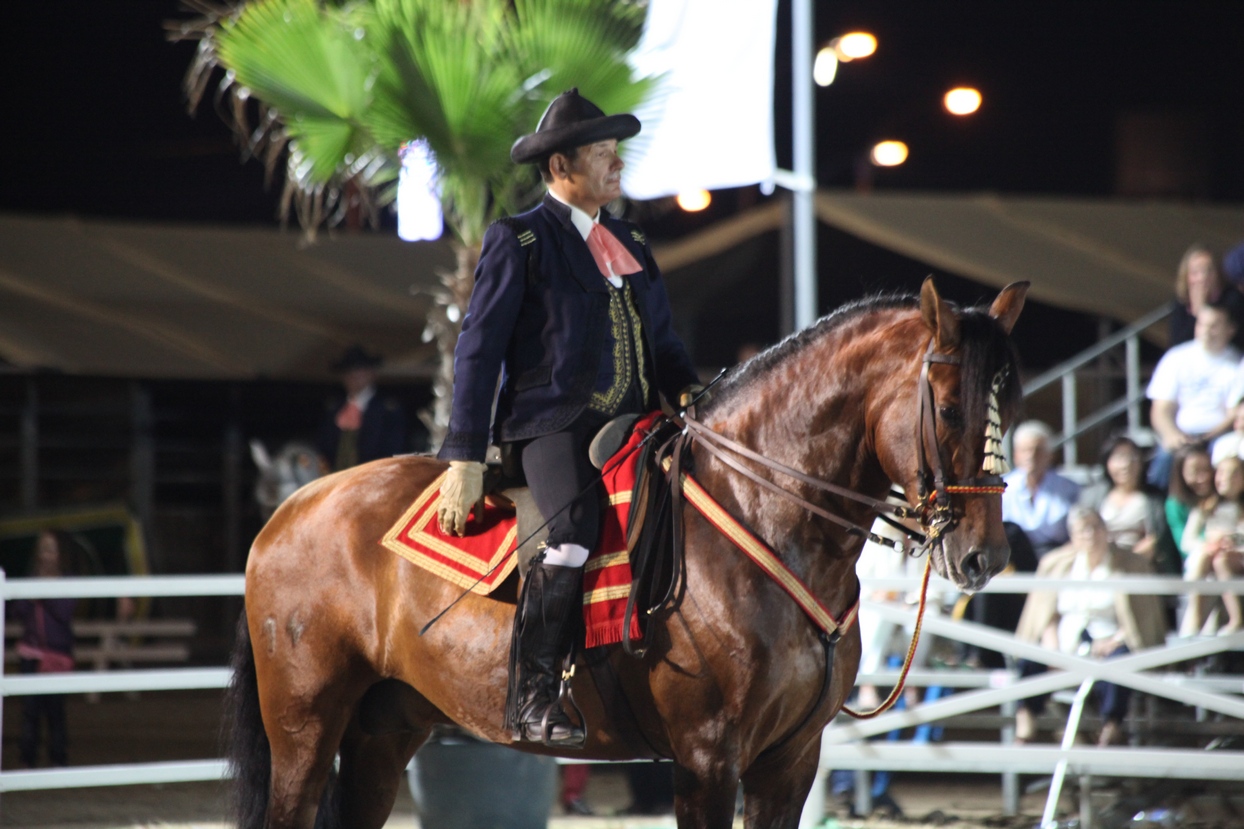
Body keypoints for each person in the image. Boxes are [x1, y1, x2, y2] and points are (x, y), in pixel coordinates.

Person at [433, 88, 701, 747]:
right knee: (573, 530)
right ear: (560, 168)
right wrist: (464, 456)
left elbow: (663, 341)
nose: (617, 164)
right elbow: (479, 349)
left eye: (617, 152)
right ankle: (535, 691)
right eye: (603, 154)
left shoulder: (630, 239)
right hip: (550, 427)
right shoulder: (520, 238)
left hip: (637, 427)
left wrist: (692, 393)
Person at [1013, 508, 1167, 747]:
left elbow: (1142, 618)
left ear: (1105, 531)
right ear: (1071, 536)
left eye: (1094, 527)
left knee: (1119, 662)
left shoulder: (1131, 564)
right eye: (1081, 530)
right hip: (1066, 643)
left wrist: (1116, 639)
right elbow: (1045, 613)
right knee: (1031, 659)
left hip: (1110, 640)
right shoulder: (1058, 564)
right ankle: (1025, 719)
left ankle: (1112, 726)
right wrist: (1051, 644)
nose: (1089, 534)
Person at [1145, 301, 1241, 490]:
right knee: (1163, 461)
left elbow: (1234, 412)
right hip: (1181, 436)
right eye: (1202, 324)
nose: (1206, 331)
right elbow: (1161, 409)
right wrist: (1172, 435)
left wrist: (1206, 437)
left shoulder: (1238, 364)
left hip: (1219, 436)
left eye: (1214, 326)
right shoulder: (1176, 358)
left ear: (1230, 329)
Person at [10, 531, 78, 767]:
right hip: (31, 654)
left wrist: (45, 593)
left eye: (51, 549)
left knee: (56, 712)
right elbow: (15, 612)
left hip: (57, 655)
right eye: (43, 549)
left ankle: (58, 759)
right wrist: (29, 596)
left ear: (61, 555)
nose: (46, 555)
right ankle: (28, 759)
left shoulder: (68, 582)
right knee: (30, 711)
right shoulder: (30, 580)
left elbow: (65, 613)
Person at [1077, 435, 1177, 573]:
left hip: (1138, 564)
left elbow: (1157, 539)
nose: (1126, 464)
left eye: (1132, 457)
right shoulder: (1093, 496)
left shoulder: (1155, 499)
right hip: (1099, 560)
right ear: (1107, 463)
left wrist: (1129, 559)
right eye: (1119, 458)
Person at [1180, 456, 1244, 635]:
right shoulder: (1206, 508)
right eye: (1222, 473)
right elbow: (1187, 541)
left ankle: (1236, 618)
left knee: (1220, 560)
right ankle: (1195, 620)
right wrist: (1209, 542)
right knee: (1208, 557)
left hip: (1236, 558)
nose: (1226, 479)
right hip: (1211, 557)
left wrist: (1233, 541)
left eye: (1234, 474)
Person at [317, 344, 408, 471]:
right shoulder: (334, 408)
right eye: (348, 372)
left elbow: (393, 450)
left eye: (359, 370)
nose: (354, 376)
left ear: (371, 373)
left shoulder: (387, 409)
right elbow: (324, 448)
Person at [1002, 420, 1080, 557]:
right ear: (1015, 455)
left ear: (1050, 454)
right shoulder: (1004, 487)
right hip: (1014, 556)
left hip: (1057, 556)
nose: (1030, 456)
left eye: (1037, 450)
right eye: (1025, 450)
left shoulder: (1069, 488)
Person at [1168, 244, 1244, 349]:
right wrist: (1195, 314)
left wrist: (1202, 311)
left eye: (1208, 271)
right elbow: (1178, 344)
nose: (1202, 278)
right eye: (1195, 273)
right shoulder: (1181, 304)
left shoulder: (1233, 299)